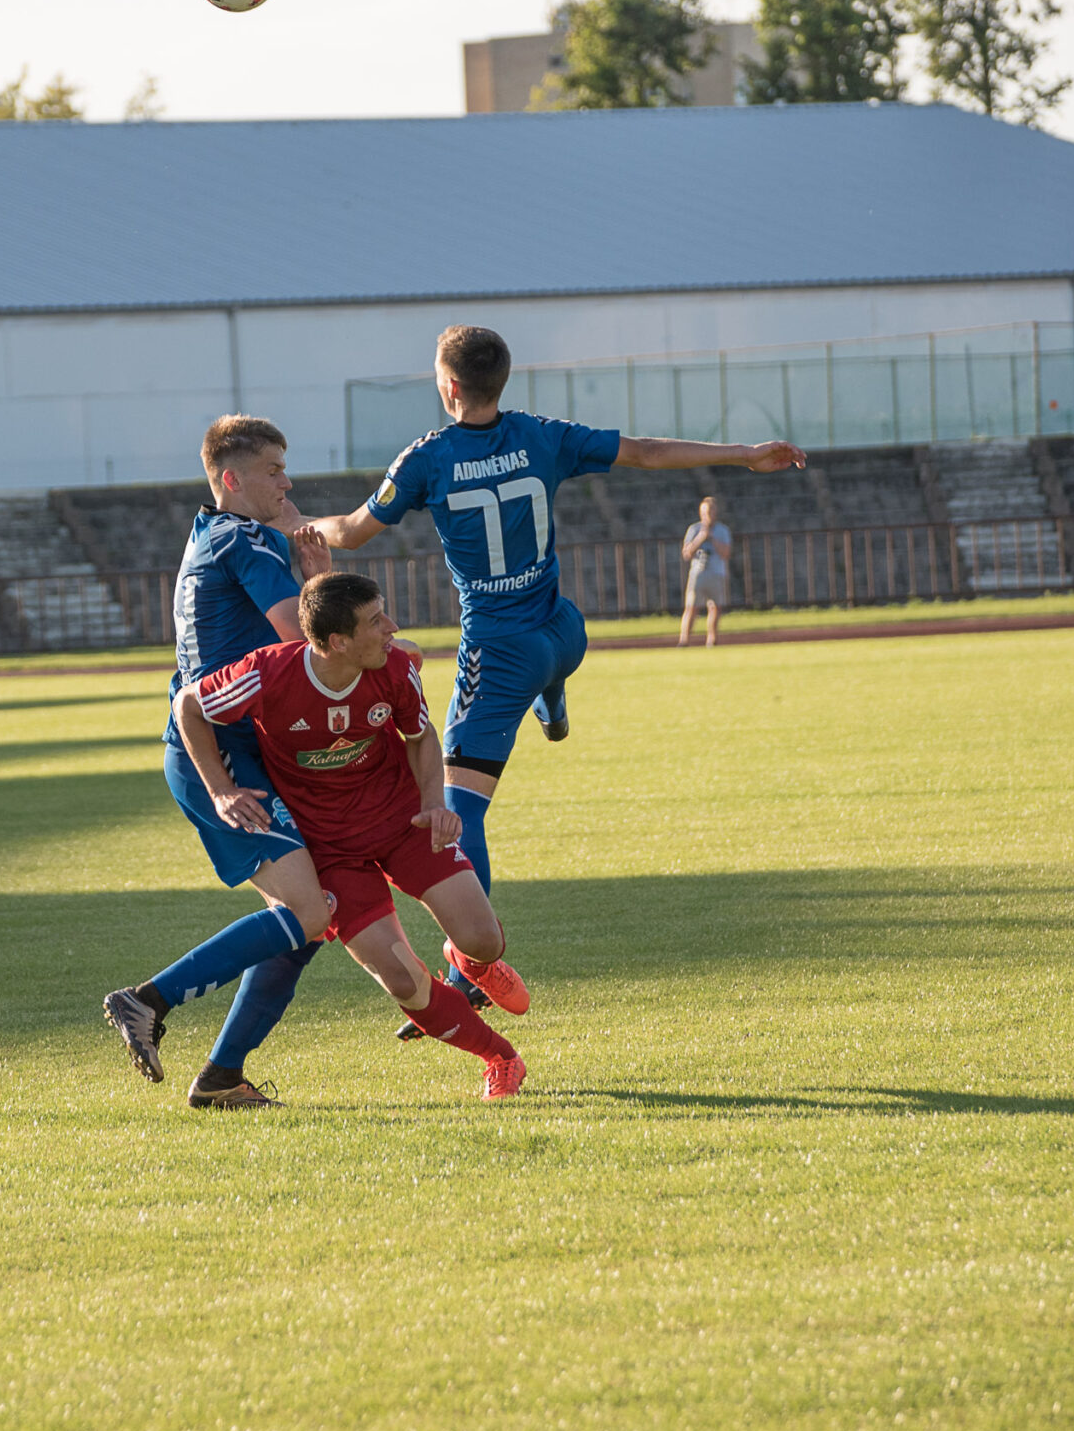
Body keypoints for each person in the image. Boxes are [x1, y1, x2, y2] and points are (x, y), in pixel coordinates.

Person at [308, 324, 805, 1032]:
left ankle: (467, 973)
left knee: (456, 814)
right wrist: (744, 454)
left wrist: (305, 525)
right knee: (550, 660)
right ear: (501, 380)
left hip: (499, 654)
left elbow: (355, 530)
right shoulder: (543, 435)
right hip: (565, 631)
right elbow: (646, 451)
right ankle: (554, 694)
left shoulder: (428, 457)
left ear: (449, 386)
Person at [177, 572, 529, 1100]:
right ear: (339, 641)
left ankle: (472, 961)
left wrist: (434, 802)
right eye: (375, 620)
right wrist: (220, 789)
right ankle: (500, 1058)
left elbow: (420, 735)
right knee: (404, 981)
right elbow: (188, 706)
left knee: (483, 937)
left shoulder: (394, 668)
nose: (392, 628)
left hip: (404, 823)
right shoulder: (265, 673)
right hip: (332, 853)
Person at [102, 415, 338, 1110]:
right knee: (309, 910)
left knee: (307, 920)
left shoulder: (219, 530)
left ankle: (223, 1077)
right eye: (274, 470)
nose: (287, 482)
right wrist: (321, 578)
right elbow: (304, 637)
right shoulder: (242, 538)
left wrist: (299, 547)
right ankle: (148, 999)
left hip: (233, 746)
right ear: (231, 479)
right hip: (216, 753)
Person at [679, 495, 733, 648]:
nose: (708, 515)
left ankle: (712, 639)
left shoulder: (722, 530)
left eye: (710, 512)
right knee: (691, 607)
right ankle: (684, 640)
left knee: (715, 607)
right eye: (705, 512)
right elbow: (687, 554)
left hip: (717, 573)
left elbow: (726, 553)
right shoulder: (694, 529)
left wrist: (713, 538)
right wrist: (701, 538)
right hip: (698, 574)